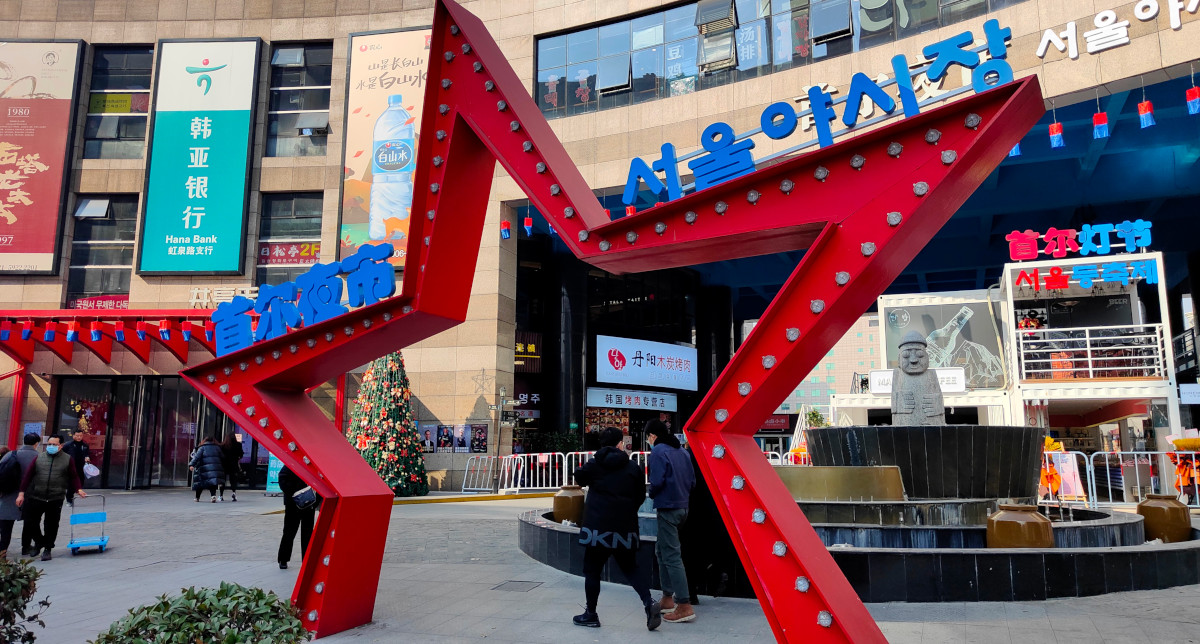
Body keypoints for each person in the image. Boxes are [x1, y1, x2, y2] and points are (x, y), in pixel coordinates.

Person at [571, 426, 661, 632]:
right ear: (621, 443)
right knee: (630, 568)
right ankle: (648, 602)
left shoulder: (595, 464)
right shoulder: (632, 467)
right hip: (624, 527)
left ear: (601, 443)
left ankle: (591, 614)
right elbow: (640, 496)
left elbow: (579, 477)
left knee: (592, 570)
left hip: (597, 529)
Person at [646, 419, 696, 623]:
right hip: (683, 507)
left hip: (668, 507)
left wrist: (652, 493)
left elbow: (656, 481)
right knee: (661, 550)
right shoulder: (683, 451)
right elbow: (692, 481)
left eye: (648, 437)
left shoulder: (658, 452)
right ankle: (667, 598)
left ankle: (684, 604)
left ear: (652, 436)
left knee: (672, 555)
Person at [16, 435, 87, 560]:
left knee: (51, 525)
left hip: (56, 497)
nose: (51, 446)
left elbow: (74, 476)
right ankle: (39, 542)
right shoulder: (39, 457)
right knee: (31, 522)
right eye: (49, 444)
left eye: (54, 444)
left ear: (61, 446)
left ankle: (47, 549)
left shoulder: (67, 459)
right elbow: (28, 476)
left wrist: (78, 489)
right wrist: (21, 493)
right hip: (37, 495)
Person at [4, 434, 41, 558]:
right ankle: (26, 546)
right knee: (29, 522)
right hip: (30, 494)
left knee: (6, 524)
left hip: (9, 494)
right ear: (36, 444)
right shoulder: (39, 457)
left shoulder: (11, 454)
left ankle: (3, 549)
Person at [277, 465, 319, 570]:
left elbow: (320, 483)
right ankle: (283, 559)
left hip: (309, 503)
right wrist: (296, 494)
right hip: (293, 504)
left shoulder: (313, 465)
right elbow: (282, 479)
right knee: (289, 532)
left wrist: (315, 500)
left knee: (307, 533)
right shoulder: (291, 464)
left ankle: (307, 560)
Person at [189, 435, 225, 503]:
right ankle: (213, 496)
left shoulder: (202, 448)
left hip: (204, 468)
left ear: (204, 441)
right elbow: (222, 457)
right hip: (214, 468)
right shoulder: (217, 448)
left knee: (200, 483)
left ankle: (197, 497)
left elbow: (196, 457)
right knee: (212, 483)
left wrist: (191, 464)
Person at [218, 433, 241, 502]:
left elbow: (220, 455)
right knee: (233, 480)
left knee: (222, 481)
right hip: (233, 465)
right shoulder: (238, 445)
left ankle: (221, 495)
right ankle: (234, 493)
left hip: (224, 465)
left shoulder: (222, 445)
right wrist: (237, 458)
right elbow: (241, 454)